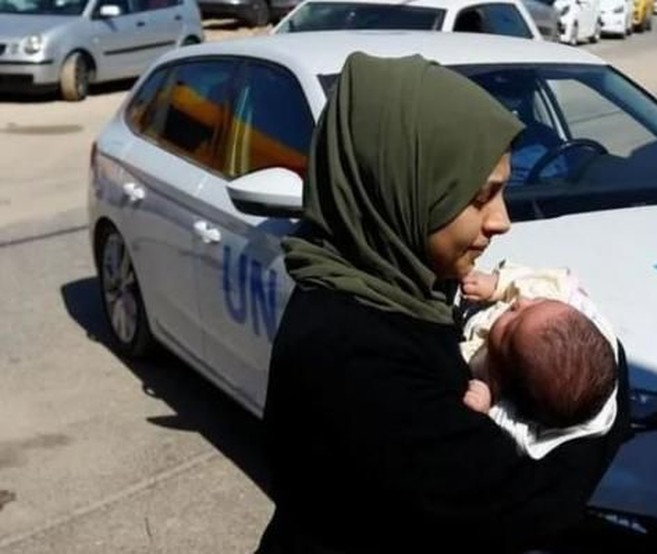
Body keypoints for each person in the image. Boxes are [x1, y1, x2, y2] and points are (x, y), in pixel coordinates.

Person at [256, 51, 629, 554]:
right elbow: (516, 504)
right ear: (401, 184)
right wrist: (607, 398)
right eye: (480, 198)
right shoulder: (350, 349)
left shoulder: (407, 282)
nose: (501, 221)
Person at [457, 262, 619, 461]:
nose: (521, 302)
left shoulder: (495, 383)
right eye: (538, 303)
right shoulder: (558, 302)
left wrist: (484, 405)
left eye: (512, 323)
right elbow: (535, 282)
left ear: (502, 376)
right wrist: (496, 286)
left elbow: (498, 429)